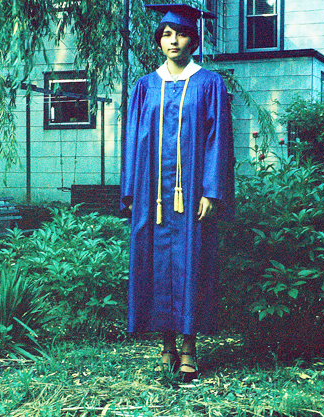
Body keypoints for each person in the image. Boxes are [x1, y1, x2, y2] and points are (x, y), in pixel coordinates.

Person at [120, 3, 235, 382]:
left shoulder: (210, 84)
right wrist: (131, 191)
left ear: (193, 40)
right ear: (158, 41)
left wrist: (211, 192)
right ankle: (165, 345)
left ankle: (189, 347)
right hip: (151, 198)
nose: (174, 40)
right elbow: (133, 142)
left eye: (181, 33)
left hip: (191, 199)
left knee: (192, 265)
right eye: (167, 34)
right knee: (153, 265)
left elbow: (219, 141)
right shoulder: (144, 87)